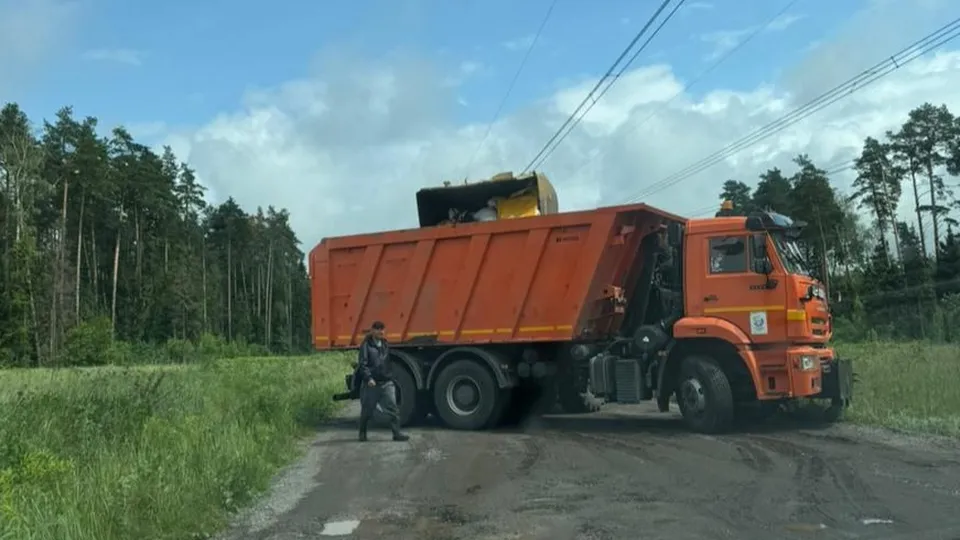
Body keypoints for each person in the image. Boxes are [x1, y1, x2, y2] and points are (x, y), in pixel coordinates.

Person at [356, 320, 409, 442]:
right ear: (372, 330)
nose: (381, 331)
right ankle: (362, 433)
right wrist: (369, 378)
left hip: (386, 382)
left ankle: (397, 434)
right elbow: (363, 364)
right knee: (367, 410)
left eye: (382, 329)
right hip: (372, 383)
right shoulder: (366, 345)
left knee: (393, 409)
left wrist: (390, 375)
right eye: (378, 329)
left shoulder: (385, 344)